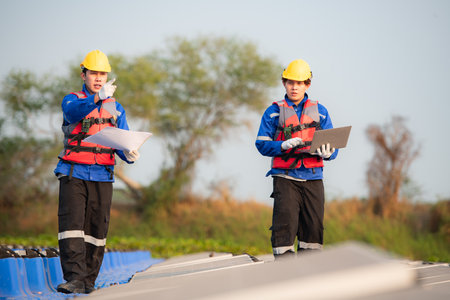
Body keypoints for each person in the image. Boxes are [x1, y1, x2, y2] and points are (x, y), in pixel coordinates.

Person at [54, 50, 140, 294]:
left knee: (96, 231)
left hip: (103, 174)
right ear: (84, 75)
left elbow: (123, 140)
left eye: (103, 74)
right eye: (94, 73)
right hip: (74, 172)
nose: (99, 78)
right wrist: (95, 99)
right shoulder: (72, 100)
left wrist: (130, 153)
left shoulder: (116, 109)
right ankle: (74, 279)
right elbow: (73, 114)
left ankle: (88, 281)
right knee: (72, 227)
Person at [255, 59, 338, 260]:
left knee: (314, 230)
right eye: (291, 82)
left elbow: (334, 150)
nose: (294, 87)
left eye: (299, 83)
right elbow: (261, 143)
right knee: (284, 228)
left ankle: (310, 276)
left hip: (313, 178)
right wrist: (281, 146)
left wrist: (328, 152)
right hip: (285, 178)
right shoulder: (273, 111)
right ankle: (284, 274)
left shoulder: (321, 111)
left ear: (307, 85)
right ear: (284, 83)